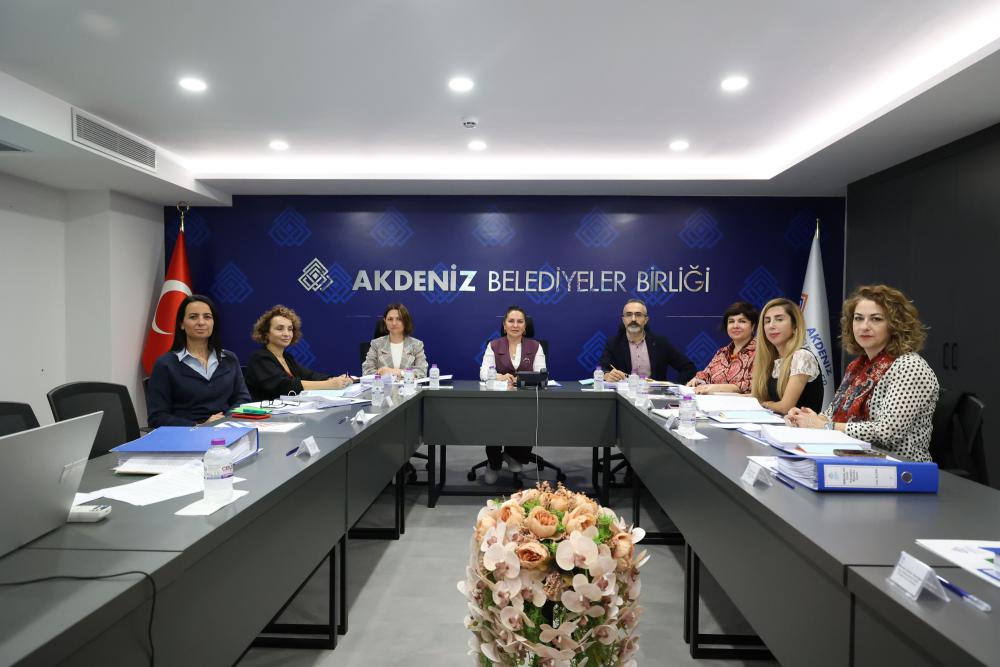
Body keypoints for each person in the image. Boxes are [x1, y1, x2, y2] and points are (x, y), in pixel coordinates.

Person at [785, 285, 939, 462]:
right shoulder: (857, 366)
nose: (864, 326)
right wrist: (804, 419)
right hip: (853, 457)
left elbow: (887, 433)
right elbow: (831, 414)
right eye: (858, 318)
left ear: (895, 325)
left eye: (876, 319)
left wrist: (825, 426)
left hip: (899, 466)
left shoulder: (909, 366)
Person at [147, 294, 251, 427]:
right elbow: (157, 417)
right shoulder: (165, 364)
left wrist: (224, 419)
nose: (201, 322)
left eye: (207, 317)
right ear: (181, 324)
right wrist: (198, 426)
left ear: (213, 323)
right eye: (193, 317)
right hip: (186, 435)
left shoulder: (229, 359)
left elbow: (243, 400)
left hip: (227, 429)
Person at [478, 305, 547, 483]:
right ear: (504, 325)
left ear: (525, 326)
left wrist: (523, 379)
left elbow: (541, 374)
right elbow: (483, 372)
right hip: (497, 401)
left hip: (526, 401)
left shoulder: (535, 346)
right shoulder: (493, 345)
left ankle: (514, 456)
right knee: (493, 423)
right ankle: (493, 463)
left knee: (526, 421)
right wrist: (499, 376)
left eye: (520, 321)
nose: (515, 325)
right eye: (511, 321)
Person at [245, 304, 353, 401]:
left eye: (290, 329)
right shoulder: (259, 358)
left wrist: (335, 379)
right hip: (267, 414)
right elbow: (286, 386)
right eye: (280, 329)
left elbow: (310, 375)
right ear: (266, 333)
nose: (286, 334)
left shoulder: (287, 357)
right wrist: (329, 384)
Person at [750, 297, 823, 414]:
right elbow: (757, 397)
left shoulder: (802, 357)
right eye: (767, 321)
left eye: (779, 319)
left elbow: (785, 407)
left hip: (798, 425)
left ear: (795, 326)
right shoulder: (771, 359)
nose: (771, 326)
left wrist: (762, 404)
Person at [599, 298, 696, 384]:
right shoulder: (613, 343)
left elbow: (688, 368)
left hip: (655, 395)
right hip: (624, 395)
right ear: (623, 320)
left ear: (646, 320)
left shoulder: (660, 343)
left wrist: (675, 387)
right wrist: (607, 375)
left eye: (638, 315)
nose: (633, 319)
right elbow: (602, 369)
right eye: (629, 315)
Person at [687, 301, 758, 394]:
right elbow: (706, 375)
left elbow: (755, 384)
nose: (735, 326)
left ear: (753, 326)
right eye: (731, 321)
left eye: (742, 321)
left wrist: (718, 388)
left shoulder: (761, 352)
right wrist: (697, 380)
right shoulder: (722, 352)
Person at [362, 303, 428, 379]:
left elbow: (422, 372)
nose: (394, 323)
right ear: (385, 321)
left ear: (405, 321)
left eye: (399, 319)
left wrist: (397, 372)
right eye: (390, 319)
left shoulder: (416, 345)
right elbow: (367, 371)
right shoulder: (376, 344)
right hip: (383, 386)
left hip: (408, 386)